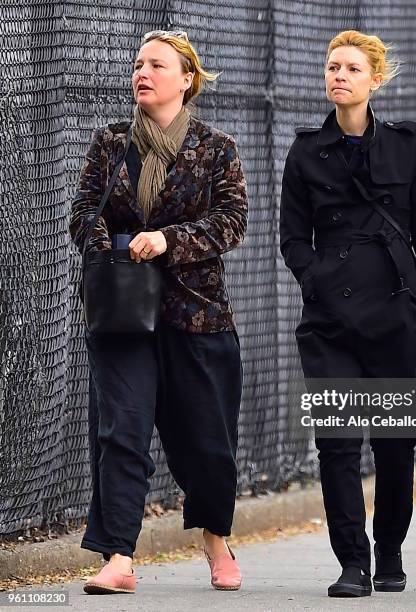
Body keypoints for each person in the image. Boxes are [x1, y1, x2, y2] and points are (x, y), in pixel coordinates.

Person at [280, 30, 416, 598]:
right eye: (333, 67)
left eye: (352, 68)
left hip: (395, 316)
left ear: (375, 79)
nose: (339, 76)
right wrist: (316, 280)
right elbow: (292, 236)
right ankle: (351, 563)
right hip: (331, 321)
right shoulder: (306, 150)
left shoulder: (407, 146)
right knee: (335, 441)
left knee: (393, 442)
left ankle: (389, 553)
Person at [70, 29, 248, 595]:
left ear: (186, 79)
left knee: (205, 439)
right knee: (121, 430)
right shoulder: (110, 141)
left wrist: (168, 240)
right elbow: (82, 215)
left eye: (156, 64)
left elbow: (231, 221)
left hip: (196, 315)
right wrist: (121, 247)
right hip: (122, 314)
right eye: (138, 63)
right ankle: (118, 557)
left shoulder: (216, 147)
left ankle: (216, 539)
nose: (141, 72)